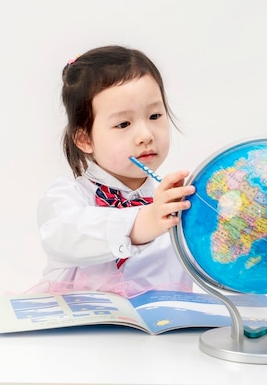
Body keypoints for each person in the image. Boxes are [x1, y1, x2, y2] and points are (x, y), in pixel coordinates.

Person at [30, 45, 196, 298]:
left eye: (155, 115)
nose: (146, 135)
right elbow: (63, 234)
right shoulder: (67, 195)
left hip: (160, 334)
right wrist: (145, 221)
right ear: (85, 139)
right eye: (123, 124)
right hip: (78, 329)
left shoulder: (177, 203)